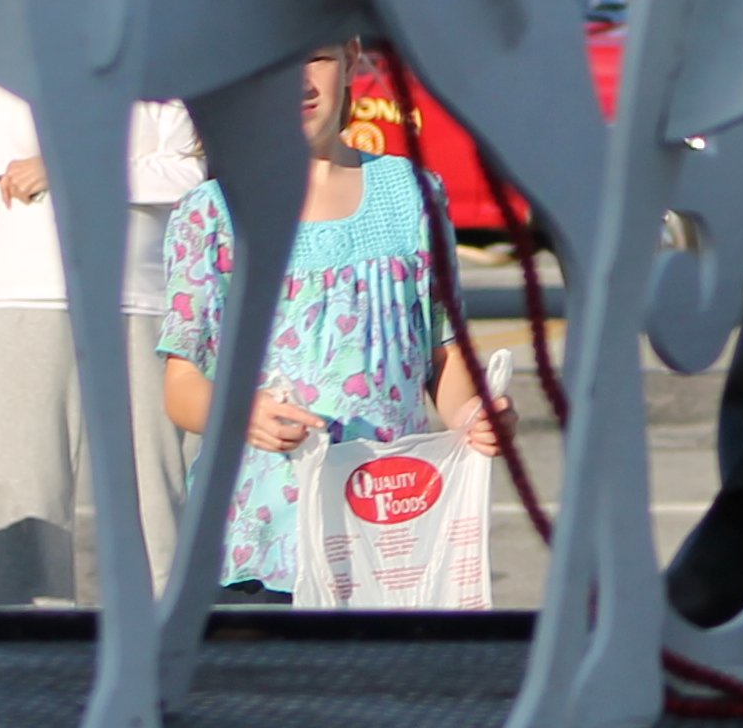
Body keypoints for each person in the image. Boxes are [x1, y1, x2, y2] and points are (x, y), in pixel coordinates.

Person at [157, 43, 510, 603]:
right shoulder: (212, 213)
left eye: (316, 57)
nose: (299, 83)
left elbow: (441, 357)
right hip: (258, 544)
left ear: (350, 61)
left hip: (385, 537)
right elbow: (181, 388)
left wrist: (474, 416)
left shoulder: (415, 194)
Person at [0, 84, 203, 603]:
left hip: (144, 292)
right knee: (26, 497)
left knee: (157, 498)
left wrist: (69, 168)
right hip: (33, 290)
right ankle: (27, 663)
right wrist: (127, 167)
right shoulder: (10, 35)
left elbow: (186, 173)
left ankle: (166, 651)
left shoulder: (160, 49)